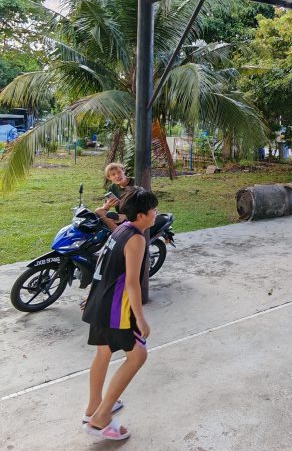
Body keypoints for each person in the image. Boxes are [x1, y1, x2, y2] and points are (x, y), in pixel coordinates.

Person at [82, 186, 158, 440]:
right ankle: (100, 419)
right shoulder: (136, 238)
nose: (156, 213)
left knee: (103, 352)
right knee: (138, 356)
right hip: (116, 309)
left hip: (99, 302)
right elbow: (132, 283)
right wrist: (140, 317)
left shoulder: (123, 229)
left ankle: (93, 407)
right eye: (153, 209)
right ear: (142, 215)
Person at [95, 163, 135, 231]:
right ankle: (117, 232)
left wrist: (126, 216)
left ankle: (120, 234)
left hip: (136, 214)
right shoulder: (112, 187)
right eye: (113, 174)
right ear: (109, 178)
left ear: (123, 171)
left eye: (119, 172)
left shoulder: (136, 182)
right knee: (99, 211)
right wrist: (107, 206)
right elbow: (105, 209)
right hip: (120, 216)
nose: (117, 176)